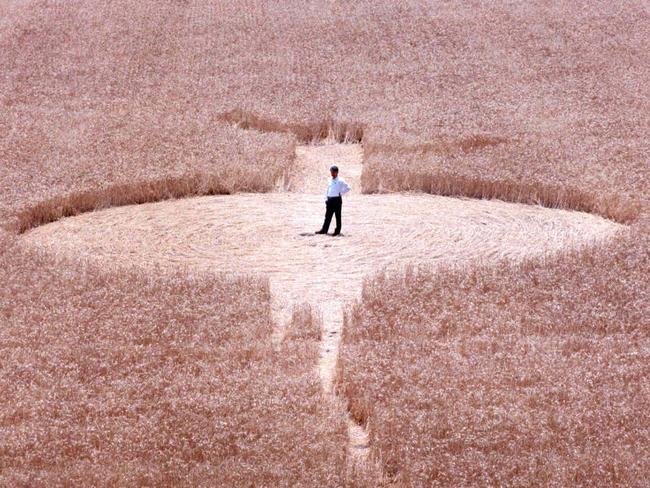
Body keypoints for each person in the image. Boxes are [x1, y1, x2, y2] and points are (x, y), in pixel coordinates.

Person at [315, 165, 351, 236]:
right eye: (331, 172)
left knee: (338, 216)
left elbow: (348, 187)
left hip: (337, 200)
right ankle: (324, 230)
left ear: (336, 172)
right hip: (330, 200)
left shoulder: (340, 180)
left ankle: (337, 231)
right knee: (327, 216)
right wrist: (326, 198)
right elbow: (328, 189)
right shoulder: (329, 179)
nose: (332, 173)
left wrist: (340, 193)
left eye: (333, 172)